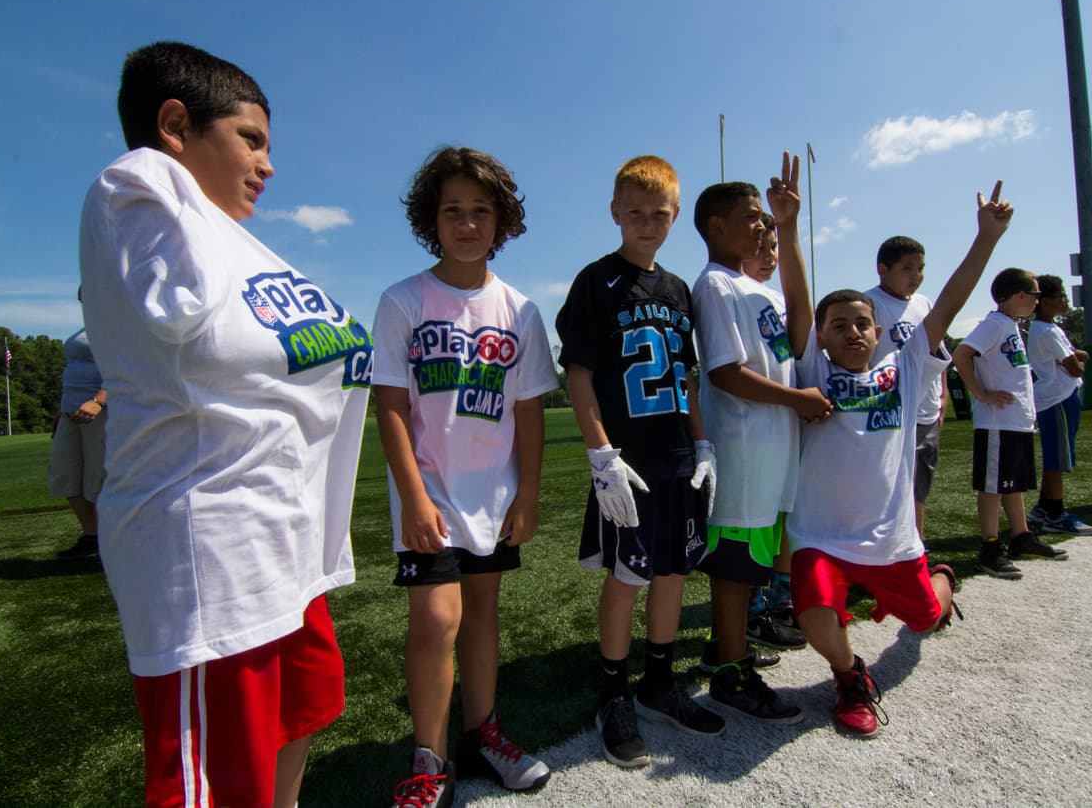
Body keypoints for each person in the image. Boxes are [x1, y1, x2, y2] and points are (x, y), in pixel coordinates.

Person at [79, 42, 372, 808]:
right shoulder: (137, 185)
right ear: (175, 124)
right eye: (251, 138)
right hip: (209, 557)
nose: (268, 165)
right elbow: (183, 321)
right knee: (217, 782)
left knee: (301, 716)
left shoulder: (239, 243)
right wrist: (166, 168)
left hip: (287, 550)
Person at [773, 151, 1007, 738]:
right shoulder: (814, 372)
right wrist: (786, 227)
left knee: (926, 620)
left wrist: (986, 240)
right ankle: (851, 674)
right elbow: (798, 295)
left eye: (861, 324)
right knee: (815, 617)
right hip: (821, 534)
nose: (851, 332)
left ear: (880, 331)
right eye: (837, 326)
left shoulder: (902, 373)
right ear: (819, 338)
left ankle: (942, 578)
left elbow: (949, 300)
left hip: (891, 537)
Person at [374, 146, 556, 805]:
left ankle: (483, 733)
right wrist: (414, 496)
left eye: (481, 211)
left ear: (502, 221)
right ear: (432, 218)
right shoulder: (402, 301)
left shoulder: (520, 309)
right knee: (434, 622)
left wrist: (529, 491)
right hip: (429, 497)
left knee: (482, 613)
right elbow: (389, 405)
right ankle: (430, 759)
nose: (468, 223)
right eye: (453, 210)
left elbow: (530, 411)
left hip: (496, 496)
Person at [556, 154, 725, 769]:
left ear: (675, 216)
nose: (647, 223)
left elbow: (686, 375)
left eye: (659, 214)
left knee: (675, 571)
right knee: (628, 576)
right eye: (635, 214)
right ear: (615, 214)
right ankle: (613, 692)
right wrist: (600, 452)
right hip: (627, 460)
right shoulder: (595, 281)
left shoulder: (678, 289)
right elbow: (578, 373)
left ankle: (658, 682)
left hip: (678, 454)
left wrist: (702, 442)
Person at [691, 186, 831, 724]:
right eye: (750, 218)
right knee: (732, 569)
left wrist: (790, 228)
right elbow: (724, 372)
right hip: (743, 452)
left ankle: (723, 648)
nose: (760, 226)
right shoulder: (715, 285)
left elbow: (800, 331)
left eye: (763, 220)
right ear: (714, 226)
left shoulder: (756, 288)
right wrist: (798, 399)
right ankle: (731, 671)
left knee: (749, 568)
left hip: (774, 451)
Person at [952, 268, 1068, 580]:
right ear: (1018, 295)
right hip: (997, 423)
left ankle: (1021, 536)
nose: (1037, 301)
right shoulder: (994, 324)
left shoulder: (1011, 326)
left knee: (1012, 483)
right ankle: (990, 548)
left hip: (1016, 423)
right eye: (1034, 294)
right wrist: (981, 393)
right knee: (993, 487)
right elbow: (961, 354)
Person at [865, 236, 948, 542]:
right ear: (882, 269)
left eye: (921, 268)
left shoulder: (924, 304)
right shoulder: (869, 304)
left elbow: (937, 353)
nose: (916, 276)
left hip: (924, 413)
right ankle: (877, 554)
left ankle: (916, 550)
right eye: (907, 268)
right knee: (883, 491)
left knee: (917, 491)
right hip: (888, 414)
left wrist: (942, 397)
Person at [1025, 275, 1092, 535]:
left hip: (1062, 397)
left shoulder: (1052, 329)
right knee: (1057, 459)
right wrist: (1075, 361)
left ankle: (1044, 507)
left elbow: (1080, 356)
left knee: (1060, 455)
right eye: (1061, 296)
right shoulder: (1045, 331)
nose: (1066, 300)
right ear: (1044, 302)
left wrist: (1076, 359)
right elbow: (1076, 367)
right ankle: (1055, 513)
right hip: (1056, 399)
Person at [48, 320, 107, 560]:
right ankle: (92, 537)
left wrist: (99, 401)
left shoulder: (118, 323)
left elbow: (127, 370)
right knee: (64, 474)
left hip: (101, 411)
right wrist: (60, 412)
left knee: (101, 477)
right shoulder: (84, 329)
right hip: (70, 411)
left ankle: (117, 541)